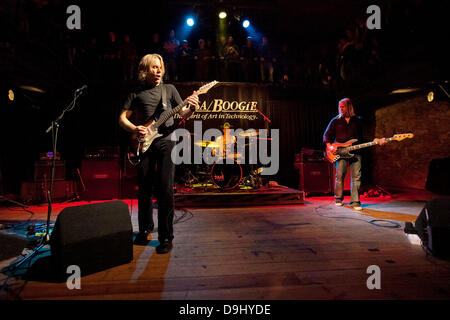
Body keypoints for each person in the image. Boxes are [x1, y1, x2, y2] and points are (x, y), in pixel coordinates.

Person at [119, 53, 199, 253]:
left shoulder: (169, 90)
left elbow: (183, 114)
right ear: (144, 70)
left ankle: (166, 237)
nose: (158, 71)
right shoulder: (136, 93)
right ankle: (145, 229)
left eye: (160, 67)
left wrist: (192, 108)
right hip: (144, 142)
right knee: (144, 188)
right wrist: (134, 128)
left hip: (166, 141)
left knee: (165, 189)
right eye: (154, 67)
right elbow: (122, 118)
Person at [323, 98, 386, 210]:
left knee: (356, 177)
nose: (341, 108)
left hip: (356, 152)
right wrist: (329, 146)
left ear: (349, 107)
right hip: (340, 152)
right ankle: (338, 199)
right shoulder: (335, 120)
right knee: (339, 176)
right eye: (340, 106)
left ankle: (355, 201)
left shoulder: (358, 120)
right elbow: (326, 135)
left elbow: (367, 135)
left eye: (343, 106)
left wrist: (377, 140)